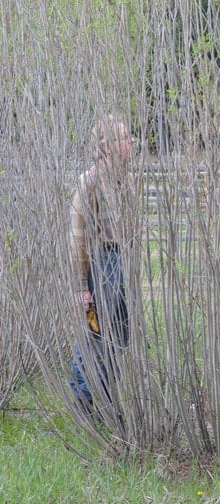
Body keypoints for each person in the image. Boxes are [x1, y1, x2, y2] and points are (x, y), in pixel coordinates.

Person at [69, 114, 136, 419]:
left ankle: (108, 400)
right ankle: (83, 400)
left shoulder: (127, 179)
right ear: (106, 145)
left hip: (122, 264)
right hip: (100, 265)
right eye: (124, 137)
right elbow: (78, 238)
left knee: (120, 334)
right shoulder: (90, 182)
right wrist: (83, 287)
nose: (130, 142)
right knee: (94, 333)